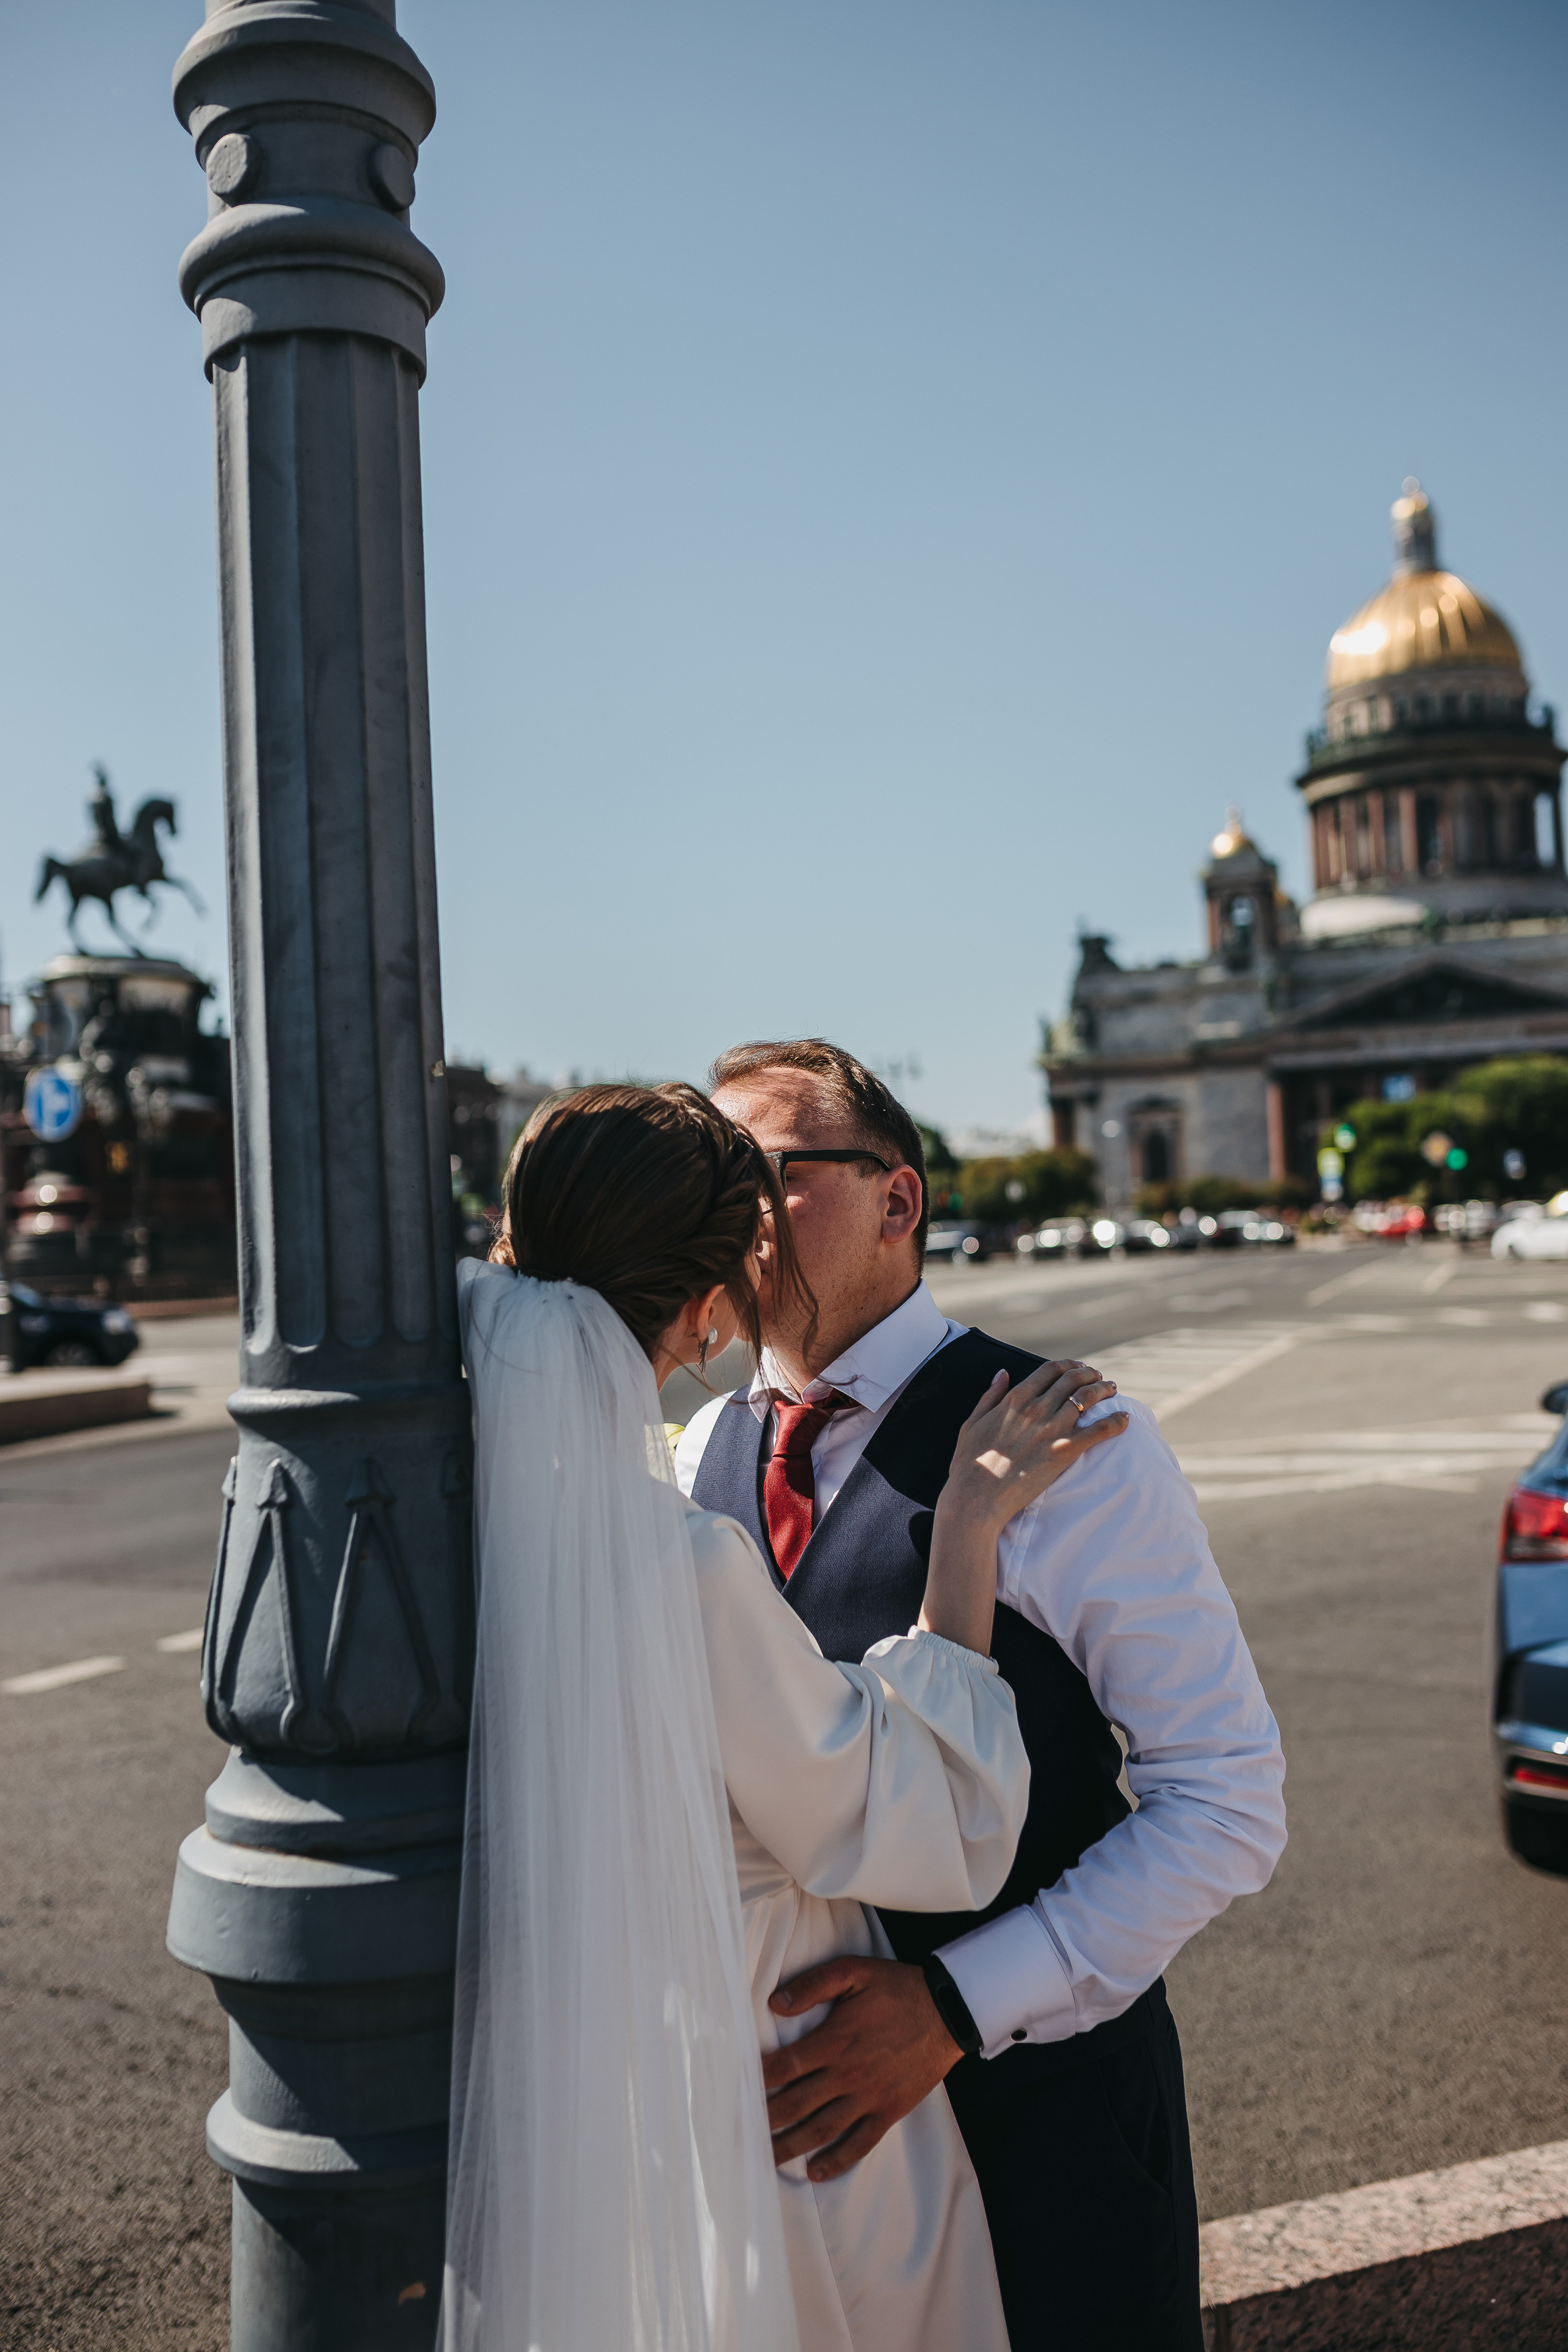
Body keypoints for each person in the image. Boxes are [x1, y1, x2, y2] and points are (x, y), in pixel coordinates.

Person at [440, 1082, 1128, 2352]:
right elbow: (910, 1817)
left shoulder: (443, 1520)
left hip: (588, 2071)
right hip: (771, 2075)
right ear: (705, 1312)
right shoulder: (667, 1557)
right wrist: (963, 1532)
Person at [677, 1039, 1289, 2352]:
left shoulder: (1070, 1446)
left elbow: (1226, 1800)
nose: (730, 1217)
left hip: (1042, 2117)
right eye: (705, 1180)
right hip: (795, 2152)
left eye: (767, 1175)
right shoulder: (696, 1455)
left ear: (896, 1200)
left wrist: (955, 2006)